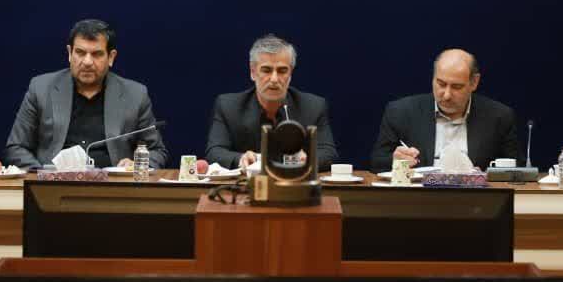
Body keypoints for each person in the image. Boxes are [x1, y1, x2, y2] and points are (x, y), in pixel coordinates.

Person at [4, 19, 167, 170]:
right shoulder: (41, 88)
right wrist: (43, 175)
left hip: (114, 186)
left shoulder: (135, 95)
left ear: (111, 57)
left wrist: (137, 165)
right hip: (54, 185)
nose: (87, 62)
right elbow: (16, 148)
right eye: (80, 52)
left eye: (97, 54)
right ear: (70, 53)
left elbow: (157, 151)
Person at [370, 49, 519, 172]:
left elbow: (517, 171)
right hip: (418, 196)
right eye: (441, 84)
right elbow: (376, 163)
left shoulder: (499, 117)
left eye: (456, 87)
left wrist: (486, 177)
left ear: (474, 82)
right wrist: (395, 161)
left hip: (476, 197)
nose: (446, 95)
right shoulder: (400, 112)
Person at [205, 34, 338, 170]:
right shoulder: (229, 106)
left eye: (282, 71)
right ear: (253, 72)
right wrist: (241, 159)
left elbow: (328, 153)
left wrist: (308, 159)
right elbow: (214, 152)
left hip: (295, 181)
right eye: (266, 70)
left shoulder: (313, 106)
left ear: (290, 74)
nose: (274, 79)